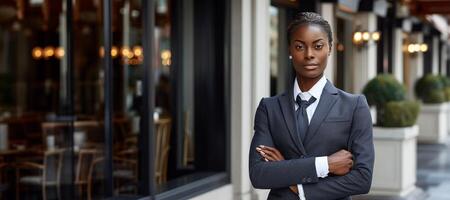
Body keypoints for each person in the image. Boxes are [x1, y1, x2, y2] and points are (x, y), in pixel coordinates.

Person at [249, 12, 374, 200]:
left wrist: (296, 186)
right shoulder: (269, 108)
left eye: (318, 46)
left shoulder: (355, 106)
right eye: (300, 46)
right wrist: (325, 165)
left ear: (330, 48)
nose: (309, 55)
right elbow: (259, 174)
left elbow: (362, 179)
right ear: (290, 50)